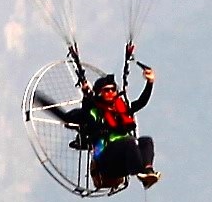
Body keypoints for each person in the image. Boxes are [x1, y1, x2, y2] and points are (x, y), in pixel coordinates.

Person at [34, 55, 158, 192]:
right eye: (106, 90)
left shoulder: (121, 109)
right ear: (99, 93)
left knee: (146, 141)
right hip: (105, 161)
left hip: (122, 162)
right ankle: (140, 173)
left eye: (113, 90)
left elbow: (141, 102)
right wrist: (41, 101)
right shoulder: (92, 113)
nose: (110, 92)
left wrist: (150, 82)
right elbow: (67, 117)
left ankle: (147, 172)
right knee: (129, 142)